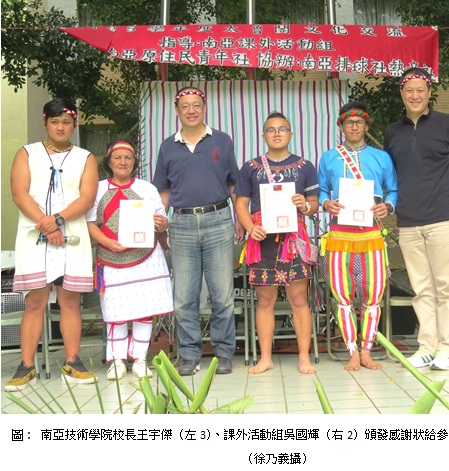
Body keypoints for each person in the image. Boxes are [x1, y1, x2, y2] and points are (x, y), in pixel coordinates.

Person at [5, 98, 99, 391]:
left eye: (66, 122)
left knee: (70, 300)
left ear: (74, 124)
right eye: (55, 121)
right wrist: (46, 225)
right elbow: (19, 193)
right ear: (45, 122)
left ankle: (72, 362)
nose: (60, 127)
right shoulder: (27, 153)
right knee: (35, 301)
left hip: (71, 234)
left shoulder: (85, 157)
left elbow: (87, 197)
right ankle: (26, 366)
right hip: (34, 235)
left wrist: (57, 221)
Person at [384, 67, 449, 370]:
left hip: (443, 217)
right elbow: (391, 176)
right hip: (408, 220)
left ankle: (448, 348)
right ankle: (427, 346)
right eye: (409, 90)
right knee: (420, 288)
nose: (415, 95)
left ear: (430, 92)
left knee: (446, 285)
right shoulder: (393, 132)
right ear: (401, 93)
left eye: (420, 90)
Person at [152, 86, 245, 376]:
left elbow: (233, 183)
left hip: (218, 220)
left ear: (204, 108)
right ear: (177, 111)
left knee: (222, 294)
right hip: (181, 224)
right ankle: (189, 354)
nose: (191, 110)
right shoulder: (168, 146)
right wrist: (160, 224)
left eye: (196, 105)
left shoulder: (222, 140)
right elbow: (163, 191)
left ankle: (223, 353)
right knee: (184, 297)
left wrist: (239, 217)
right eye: (185, 106)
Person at [234, 112, 319, 374]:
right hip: (262, 240)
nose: (277, 133)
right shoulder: (250, 167)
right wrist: (251, 228)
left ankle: (304, 357)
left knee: (299, 299)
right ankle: (266, 358)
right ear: (263, 136)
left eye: (282, 129)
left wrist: (304, 206)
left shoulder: (305, 166)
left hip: (294, 240)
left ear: (290, 134)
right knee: (265, 300)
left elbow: (313, 206)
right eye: (271, 130)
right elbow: (241, 204)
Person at [318, 101, 398, 371]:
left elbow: (393, 191)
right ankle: (352, 350)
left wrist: (388, 206)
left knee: (373, 296)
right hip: (339, 235)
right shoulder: (329, 157)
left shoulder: (381, 157)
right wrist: (325, 203)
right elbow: (321, 191)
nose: (354, 127)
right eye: (349, 122)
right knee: (342, 297)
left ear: (366, 125)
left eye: (359, 122)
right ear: (340, 126)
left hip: (371, 235)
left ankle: (367, 350)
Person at [86, 140, 174, 380]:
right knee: (116, 311)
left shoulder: (147, 189)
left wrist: (161, 223)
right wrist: (107, 241)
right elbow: (90, 224)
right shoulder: (97, 189)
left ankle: (140, 359)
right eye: (118, 157)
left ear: (134, 162)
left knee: (144, 309)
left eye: (128, 158)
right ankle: (116, 361)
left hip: (145, 257)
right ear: (109, 162)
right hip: (110, 257)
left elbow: (162, 222)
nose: (123, 162)